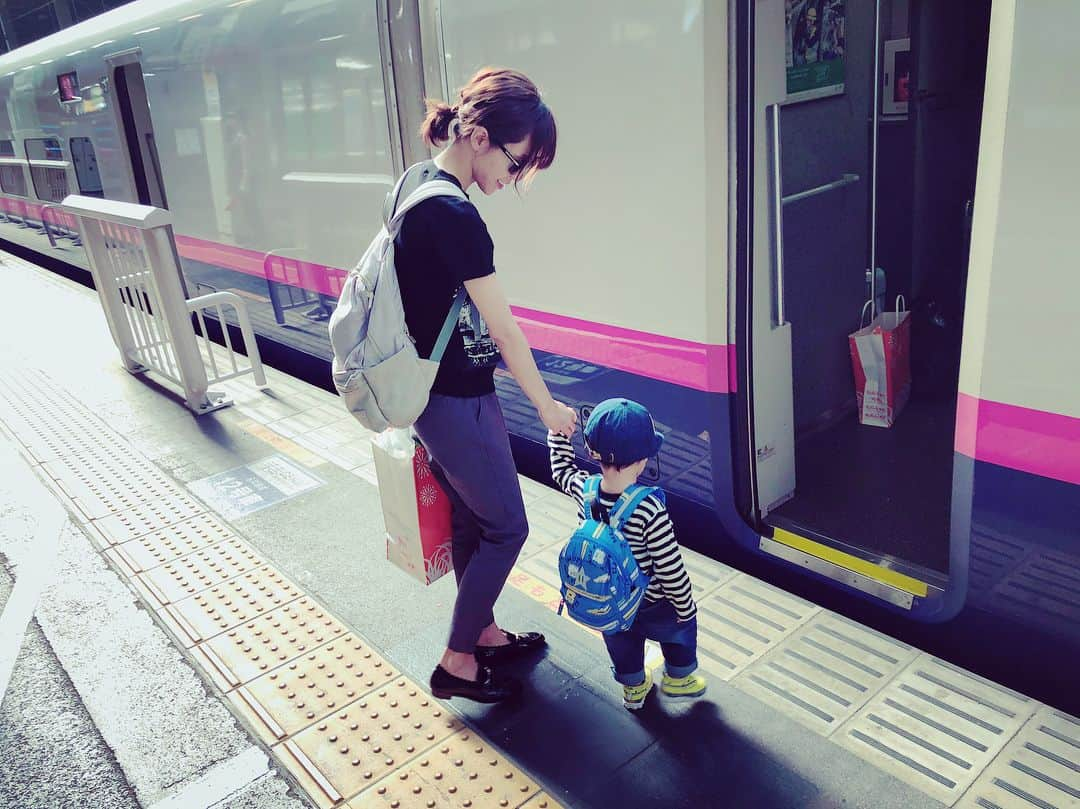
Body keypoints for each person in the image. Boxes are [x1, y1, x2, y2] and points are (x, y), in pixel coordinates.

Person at [394, 67, 578, 703]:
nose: (515, 177)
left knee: (477, 520)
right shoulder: (454, 214)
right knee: (507, 528)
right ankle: (456, 662)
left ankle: (484, 632)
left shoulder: (418, 182)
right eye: (516, 161)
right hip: (454, 402)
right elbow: (506, 332)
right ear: (477, 134)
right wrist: (549, 407)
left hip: (445, 394)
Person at [548, 398, 707, 710]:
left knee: (622, 646)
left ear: (593, 452)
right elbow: (669, 567)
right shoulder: (649, 507)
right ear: (643, 459)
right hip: (654, 601)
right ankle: (679, 678)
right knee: (679, 633)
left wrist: (557, 433)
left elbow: (562, 471)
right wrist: (685, 608)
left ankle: (634, 690)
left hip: (611, 600)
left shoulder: (586, 488)